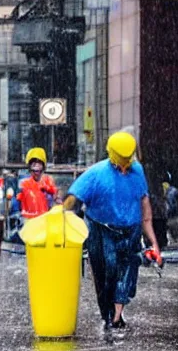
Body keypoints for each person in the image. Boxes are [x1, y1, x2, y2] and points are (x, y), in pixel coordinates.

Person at [63, 131, 161, 330]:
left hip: (130, 230)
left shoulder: (137, 171)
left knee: (127, 271)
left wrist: (153, 242)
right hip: (100, 230)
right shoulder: (96, 174)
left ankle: (117, 316)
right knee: (104, 275)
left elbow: (144, 204)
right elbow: (73, 198)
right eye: (122, 162)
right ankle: (107, 312)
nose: (126, 167)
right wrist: (61, 217)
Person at [16, 147, 60, 219]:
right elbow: (17, 205)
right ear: (29, 167)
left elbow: (56, 199)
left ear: (43, 167)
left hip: (45, 220)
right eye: (34, 163)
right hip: (28, 220)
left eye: (39, 163)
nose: (36, 166)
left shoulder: (48, 181)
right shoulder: (24, 184)